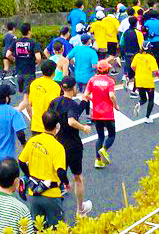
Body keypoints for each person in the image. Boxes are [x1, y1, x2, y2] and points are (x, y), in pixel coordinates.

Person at [48, 77, 91, 217]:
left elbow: (74, 112)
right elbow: (72, 120)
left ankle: (55, 213)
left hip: (57, 143)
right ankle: (80, 209)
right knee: (78, 177)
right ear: (73, 88)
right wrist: (83, 127)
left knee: (56, 178)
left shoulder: (55, 102)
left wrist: (84, 101)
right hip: (72, 146)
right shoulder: (71, 104)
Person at [18, 110, 67, 230]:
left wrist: (29, 175)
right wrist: (66, 182)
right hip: (51, 193)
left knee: (38, 228)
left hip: (34, 193)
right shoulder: (58, 147)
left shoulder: (33, 141)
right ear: (57, 126)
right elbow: (60, 171)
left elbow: (21, 161)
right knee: (57, 228)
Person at [85, 60, 117, 169]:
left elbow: (86, 95)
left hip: (97, 113)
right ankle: (104, 149)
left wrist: (93, 99)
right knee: (111, 135)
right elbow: (111, 95)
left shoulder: (92, 80)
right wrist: (116, 106)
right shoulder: (110, 81)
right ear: (107, 69)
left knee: (100, 136)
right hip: (108, 113)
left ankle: (97, 160)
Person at [18, 60, 61, 137]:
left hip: (35, 126)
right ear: (53, 72)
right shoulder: (55, 87)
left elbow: (28, 104)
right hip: (50, 127)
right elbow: (55, 106)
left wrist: (32, 119)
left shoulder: (34, 83)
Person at [8, 23, 41, 95]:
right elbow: (38, 58)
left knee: (24, 94)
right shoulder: (33, 42)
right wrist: (36, 63)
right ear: (29, 31)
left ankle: (25, 106)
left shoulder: (16, 42)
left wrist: (14, 59)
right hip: (29, 72)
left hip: (19, 72)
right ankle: (21, 106)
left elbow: (7, 54)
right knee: (27, 96)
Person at [130, 46, 159, 121]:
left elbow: (132, 66)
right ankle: (147, 117)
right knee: (151, 100)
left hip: (139, 81)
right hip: (148, 82)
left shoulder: (137, 56)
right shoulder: (151, 58)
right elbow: (155, 71)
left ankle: (139, 103)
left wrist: (138, 71)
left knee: (143, 99)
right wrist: (158, 75)